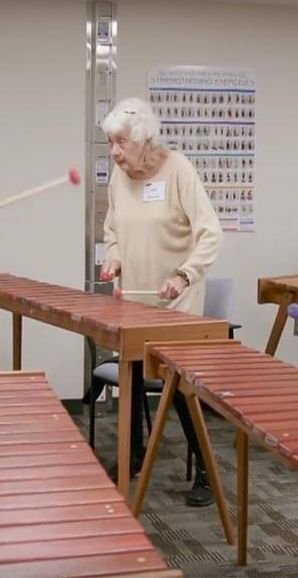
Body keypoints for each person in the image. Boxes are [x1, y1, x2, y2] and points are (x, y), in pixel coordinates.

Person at [100, 97, 223, 507]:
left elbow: (210, 234)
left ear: (144, 140)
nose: (114, 151)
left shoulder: (178, 170)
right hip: (135, 304)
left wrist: (184, 274)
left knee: (183, 391)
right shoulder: (119, 177)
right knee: (132, 379)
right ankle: (131, 458)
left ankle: (207, 474)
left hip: (178, 305)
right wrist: (113, 256)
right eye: (110, 142)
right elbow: (111, 227)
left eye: (121, 142)